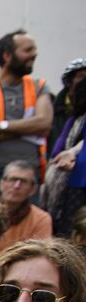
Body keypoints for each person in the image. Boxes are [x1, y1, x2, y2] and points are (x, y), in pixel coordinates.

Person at [0, 30, 52, 199]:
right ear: (7, 56)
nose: (34, 54)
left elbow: (44, 124)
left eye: (34, 49)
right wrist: (29, 127)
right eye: (27, 50)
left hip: (29, 176)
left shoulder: (40, 86)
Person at [48, 73, 86, 237]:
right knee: (71, 236)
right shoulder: (76, 120)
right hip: (77, 181)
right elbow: (57, 151)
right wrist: (70, 153)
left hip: (77, 180)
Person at [0, 159, 53, 247]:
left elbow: (40, 253)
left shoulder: (41, 219)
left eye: (23, 181)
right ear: (2, 184)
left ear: (33, 189)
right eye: (13, 179)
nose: (16, 186)